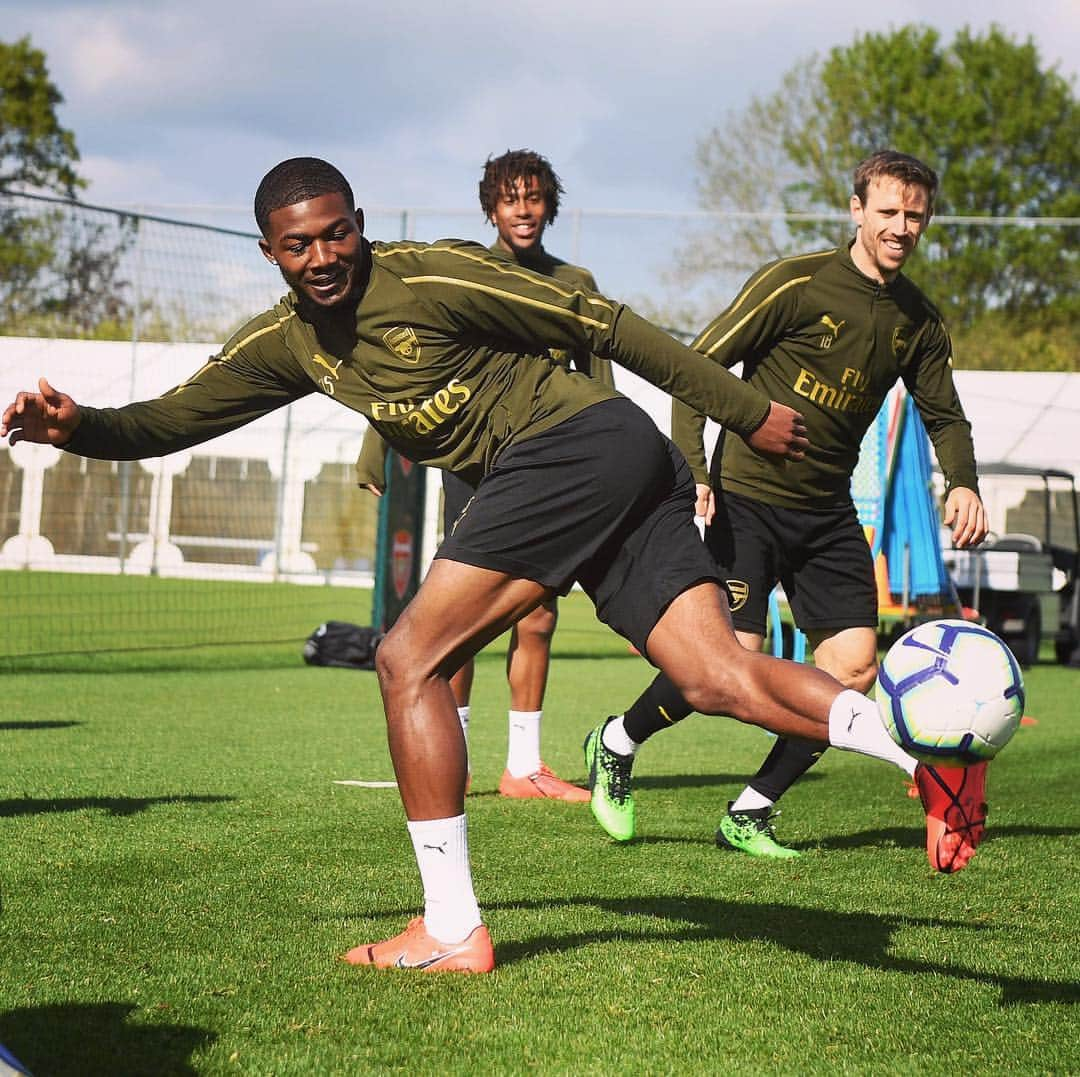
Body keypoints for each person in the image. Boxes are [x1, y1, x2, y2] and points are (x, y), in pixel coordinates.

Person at [4, 157, 959, 977]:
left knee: (405, 655)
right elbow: (174, 418)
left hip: (578, 446)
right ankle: (923, 760)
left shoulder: (429, 276)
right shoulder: (285, 342)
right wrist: (78, 426)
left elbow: (606, 324)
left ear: (360, 227)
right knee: (713, 674)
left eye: (337, 235)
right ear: (271, 253)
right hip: (609, 469)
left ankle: (452, 926)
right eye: (300, 246)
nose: (324, 256)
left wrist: (743, 412)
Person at [585, 150, 989, 874]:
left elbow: (945, 416)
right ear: (857, 209)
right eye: (889, 211)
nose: (902, 227)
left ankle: (751, 808)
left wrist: (963, 481)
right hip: (750, 501)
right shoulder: (796, 283)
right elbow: (697, 366)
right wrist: (696, 470)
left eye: (915, 215)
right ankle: (617, 740)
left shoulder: (917, 321)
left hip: (827, 513)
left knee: (852, 668)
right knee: (726, 667)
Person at [355, 149, 614, 802]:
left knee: (538, 615)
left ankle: (523, 766)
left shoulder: (574, 278)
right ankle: (457, 758)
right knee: (459, 615)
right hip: (473, 462)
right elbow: (407, 369)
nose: (522, 211)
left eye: (532, 198)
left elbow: (598, 372)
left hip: (549, 466)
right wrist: (374, 448)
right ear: (490, 209)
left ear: (548, 205)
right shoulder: (463, 270)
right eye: (509, 199)